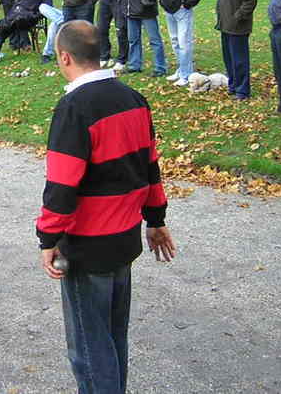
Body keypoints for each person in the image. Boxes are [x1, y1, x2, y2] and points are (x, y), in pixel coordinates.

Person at [36, 20, 176, 394]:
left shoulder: (74, 108)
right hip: (124, 240)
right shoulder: (134, 99)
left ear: (64, 57)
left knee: (89, 348)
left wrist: (48, 237)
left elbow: (62, 184)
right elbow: (150, 167)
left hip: (88, 245)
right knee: (113, 338)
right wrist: (156, 219)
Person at [214, 0, 257, 100]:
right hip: (225, 26)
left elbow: (249, 2)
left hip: (238, 27)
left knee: (239, 60)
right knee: (229, 59)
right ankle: (233, 86)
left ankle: (242, 90)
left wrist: (237, 18)